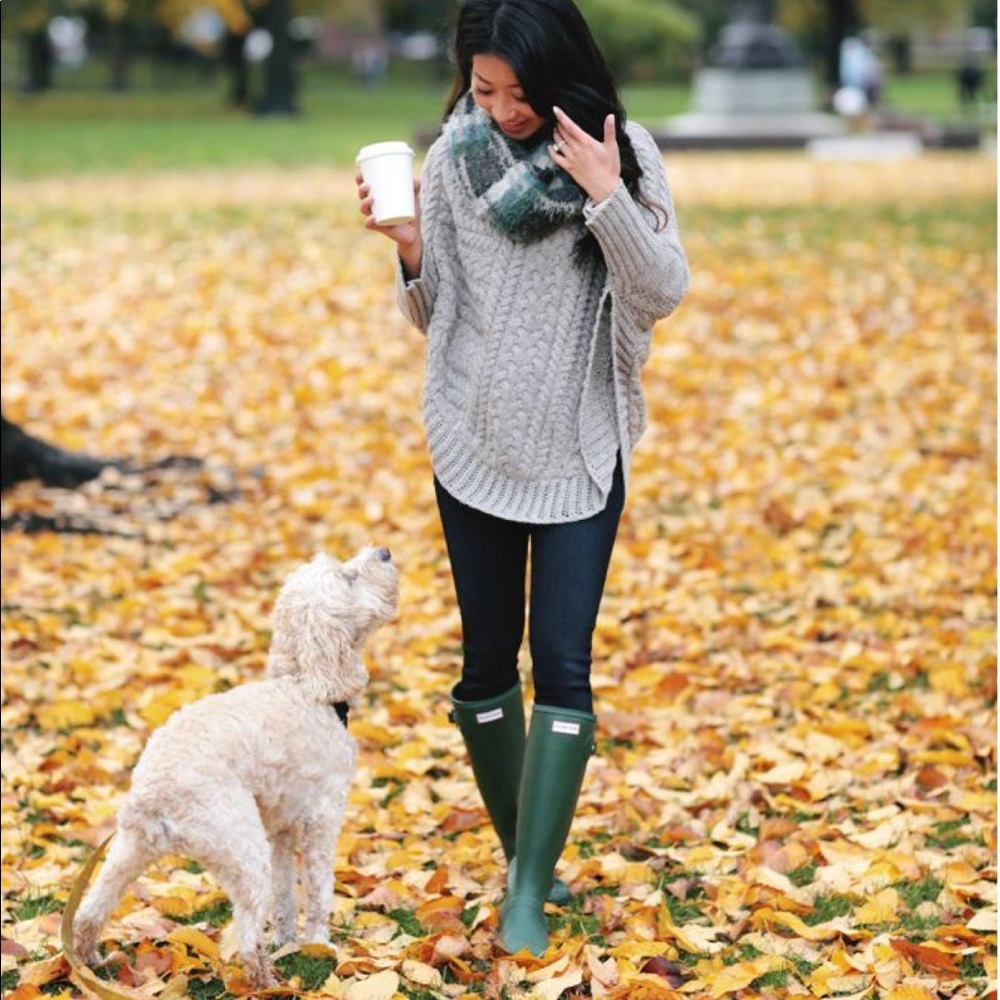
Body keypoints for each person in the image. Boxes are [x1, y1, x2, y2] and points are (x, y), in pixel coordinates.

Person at [357, 0, 688, 956]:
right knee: (483, 667)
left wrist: (605, 194)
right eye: (482, 87)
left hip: (583, 442)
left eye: (516, 91)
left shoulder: (623, 152)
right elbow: (438, 316)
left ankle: (529, 895)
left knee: (566, 664)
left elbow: (662, 290)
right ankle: (527, 864)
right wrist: (412, 251)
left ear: (557, 75)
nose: (498, 108)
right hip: (472, 440)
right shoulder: (452, 161)